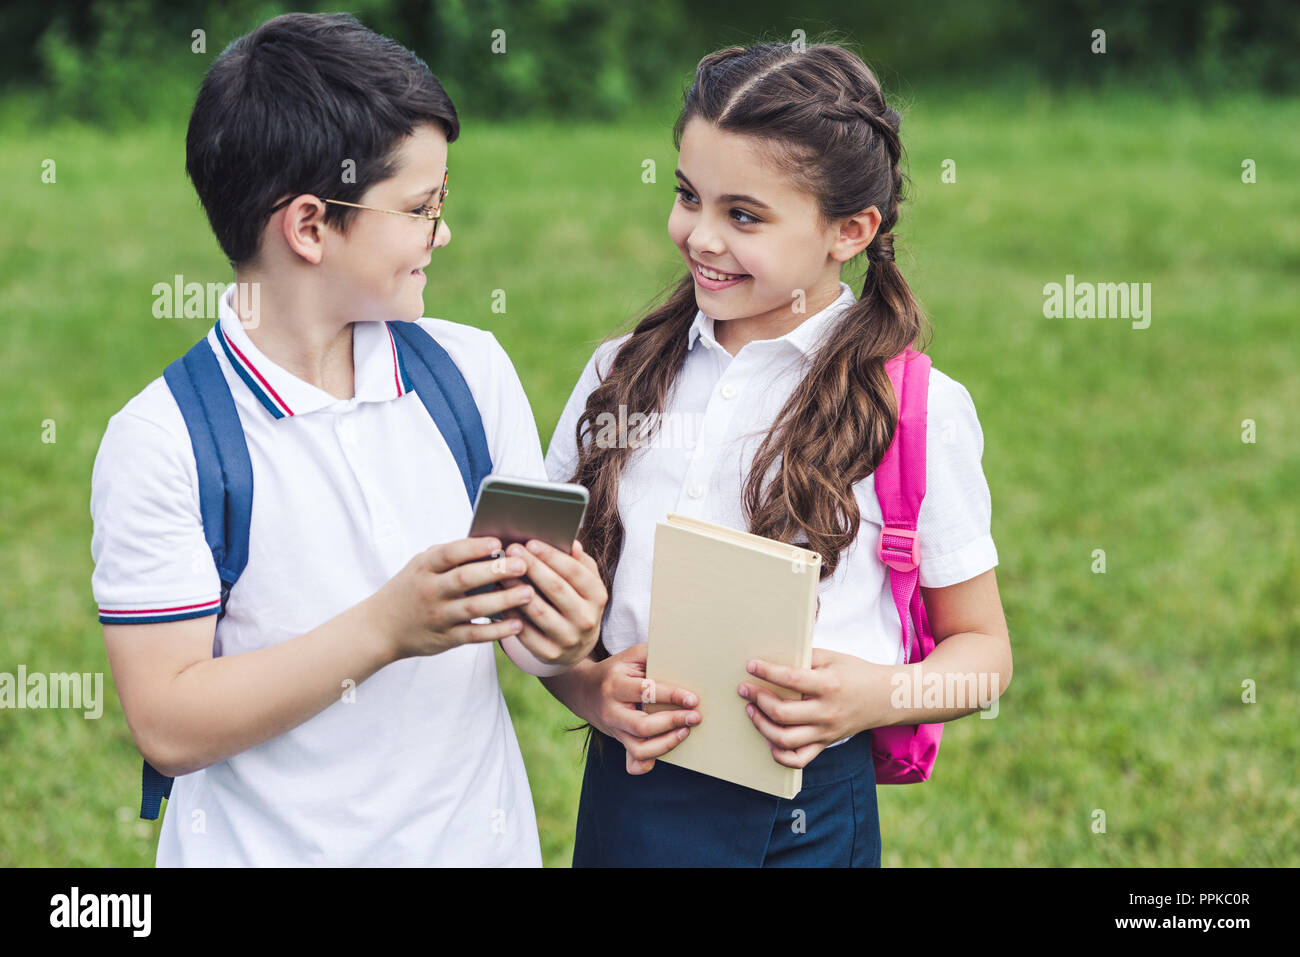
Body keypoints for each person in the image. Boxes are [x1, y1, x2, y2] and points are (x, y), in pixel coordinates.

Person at [89, 12, 606, 867]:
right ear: (308, 227)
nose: (442, 231)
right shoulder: (166, 440)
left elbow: (531, 636)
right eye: (419, 207)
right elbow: (169, 724)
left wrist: (566, 628)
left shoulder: (468, 372)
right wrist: (386, 627)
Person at [540, 41, 1012, 866]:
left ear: (850, 231)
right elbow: (546, 597)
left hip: (814, 810)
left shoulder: (915, 410)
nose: (701, 237)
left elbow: (985, 656)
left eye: (744, 215)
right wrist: (587, 686)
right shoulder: (620, 374)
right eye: (689, 196)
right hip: (632, 791)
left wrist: (875, 696)